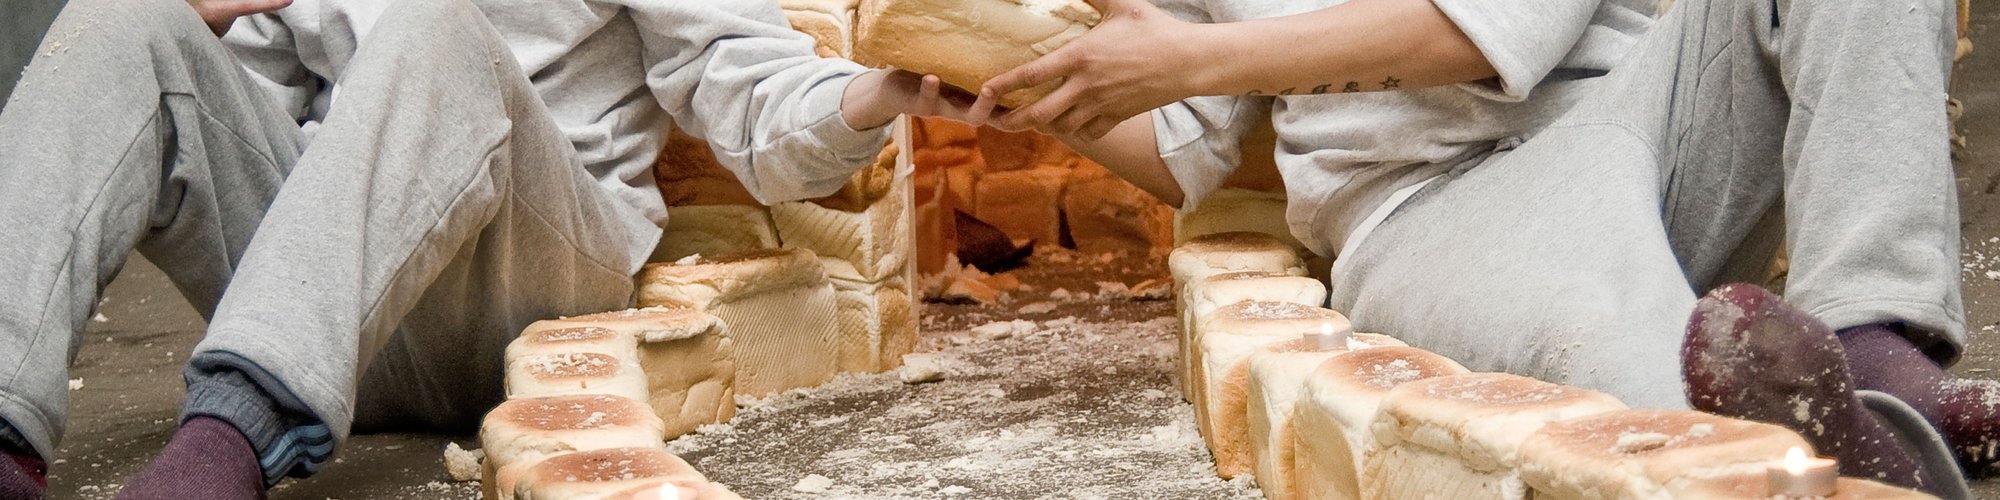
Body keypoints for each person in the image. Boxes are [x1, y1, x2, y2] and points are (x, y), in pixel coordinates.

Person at [983, 0, 1990, 492]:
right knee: (1605, 349)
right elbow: (1179, 147)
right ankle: (1842, 451)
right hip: (1426, 211)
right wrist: (1033, 100)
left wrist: (1189, 56)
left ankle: (1870, 340)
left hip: (1646, 115)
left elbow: (1486, 34)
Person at [0, 0, 989, 496]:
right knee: (118, 16)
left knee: (440, 25)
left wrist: (873, 92)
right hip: (331, 291)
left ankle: (225, 446)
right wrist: (202, 28)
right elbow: (266, 122)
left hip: (526, 287)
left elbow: (757, 95)